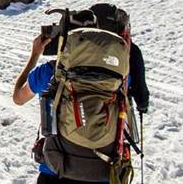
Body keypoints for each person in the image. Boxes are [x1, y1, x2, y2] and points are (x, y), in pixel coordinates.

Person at [12, 28, 149, 183]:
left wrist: (35, 54)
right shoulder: (120, 79)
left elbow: (18, 98)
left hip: (55, 171)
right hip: (106, 173)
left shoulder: (50, 72)